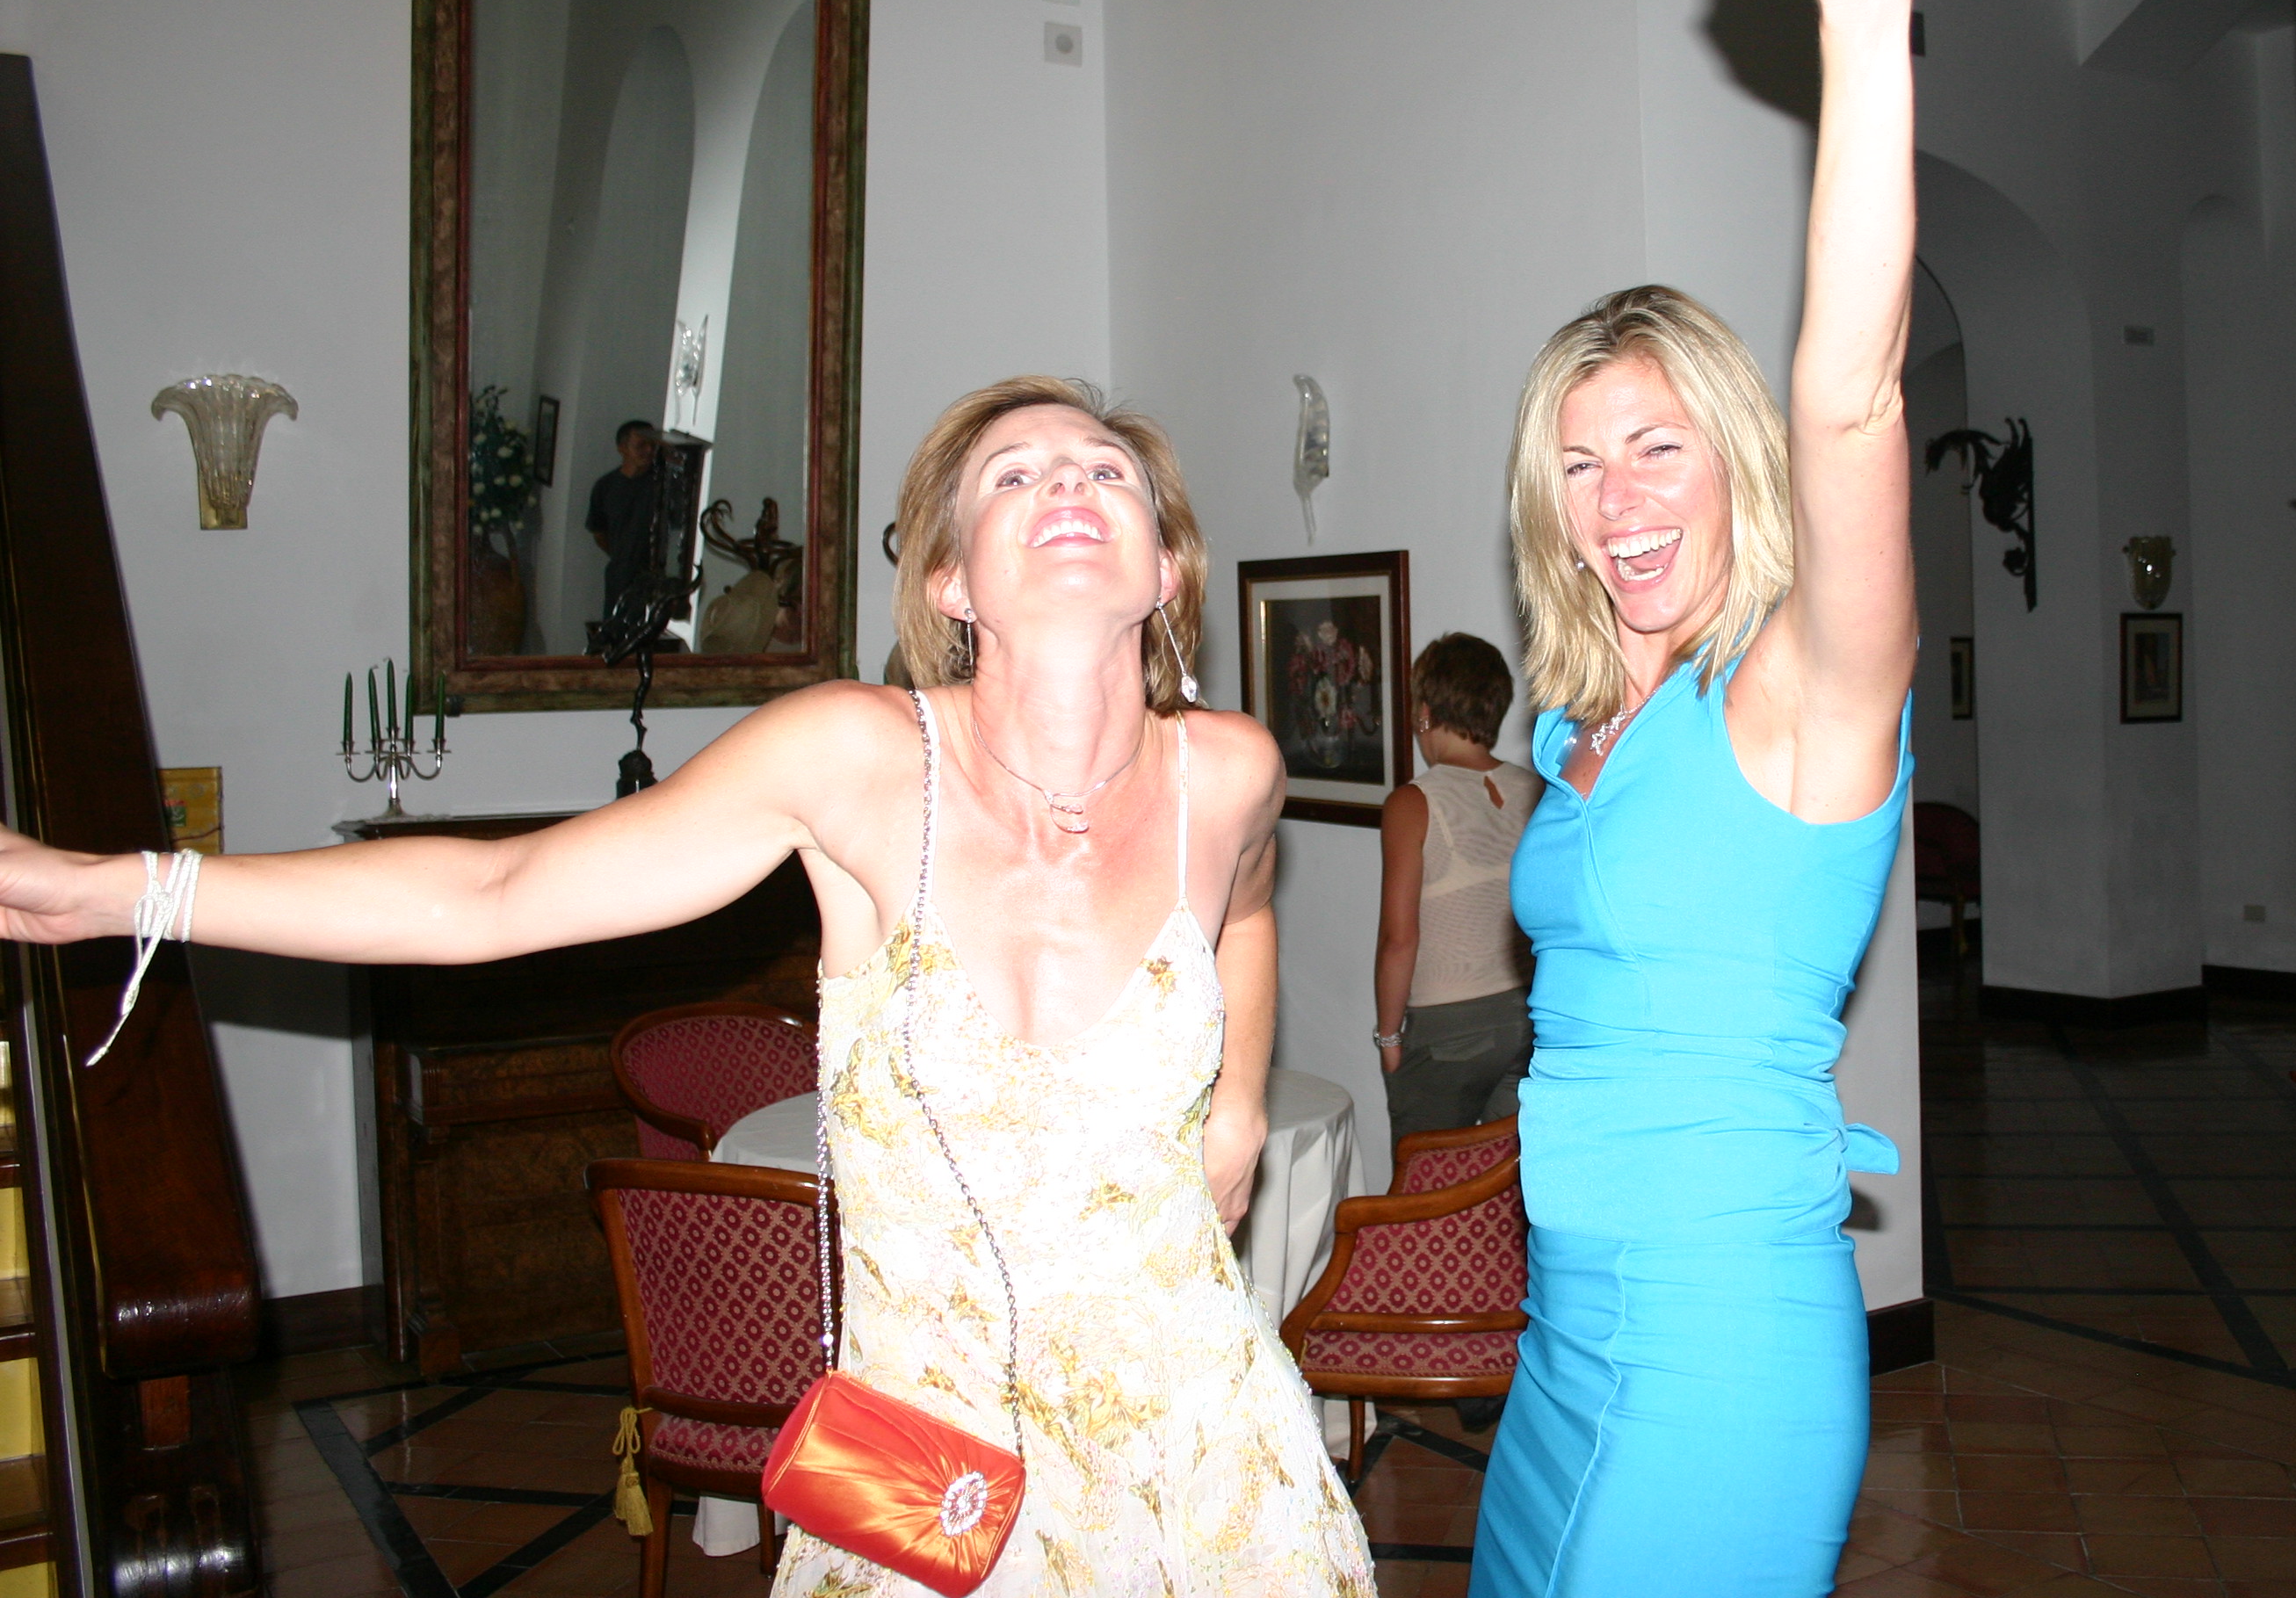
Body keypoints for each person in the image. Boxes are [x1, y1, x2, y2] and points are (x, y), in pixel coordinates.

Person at [0, 376, 1374, 1597]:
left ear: (1164, 568)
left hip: (1210, 1450)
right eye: (1014, 473)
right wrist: (122, 891)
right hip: (938, 1485)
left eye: (1104, 468)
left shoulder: (1228, 771)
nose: (1068, 480)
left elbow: (1247, 910)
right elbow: (497, 892)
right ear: (953, 582)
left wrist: (1237, 1103)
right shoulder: (856, 759)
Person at [1469, 0, 1919, 1598]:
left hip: (1723, 1344)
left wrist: (1864, 11)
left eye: (1658, 446)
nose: (1617, 499)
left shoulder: (1802, 692)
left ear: (1737, 460)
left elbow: (1853, 392)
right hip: (1565, 1328)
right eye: (1579, 464)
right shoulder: (1578, 731)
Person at [1372, 633, 1540, 1149]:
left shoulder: (1413, 803)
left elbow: (1399, 938)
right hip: (1523, 1017)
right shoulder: (1534, 790)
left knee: (1425, 1177)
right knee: (1500, 1177)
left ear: (1424, 713)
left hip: (1447, 1027)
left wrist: (1388, 1036)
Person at [585, 417, 661, 613]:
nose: (649, 451)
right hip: (620, 574)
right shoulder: (605, 486)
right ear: (622, 448)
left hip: (655, 576)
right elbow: (599, 532)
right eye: (641, 445)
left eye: (653, 445)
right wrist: (623, 556)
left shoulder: (662, 485)